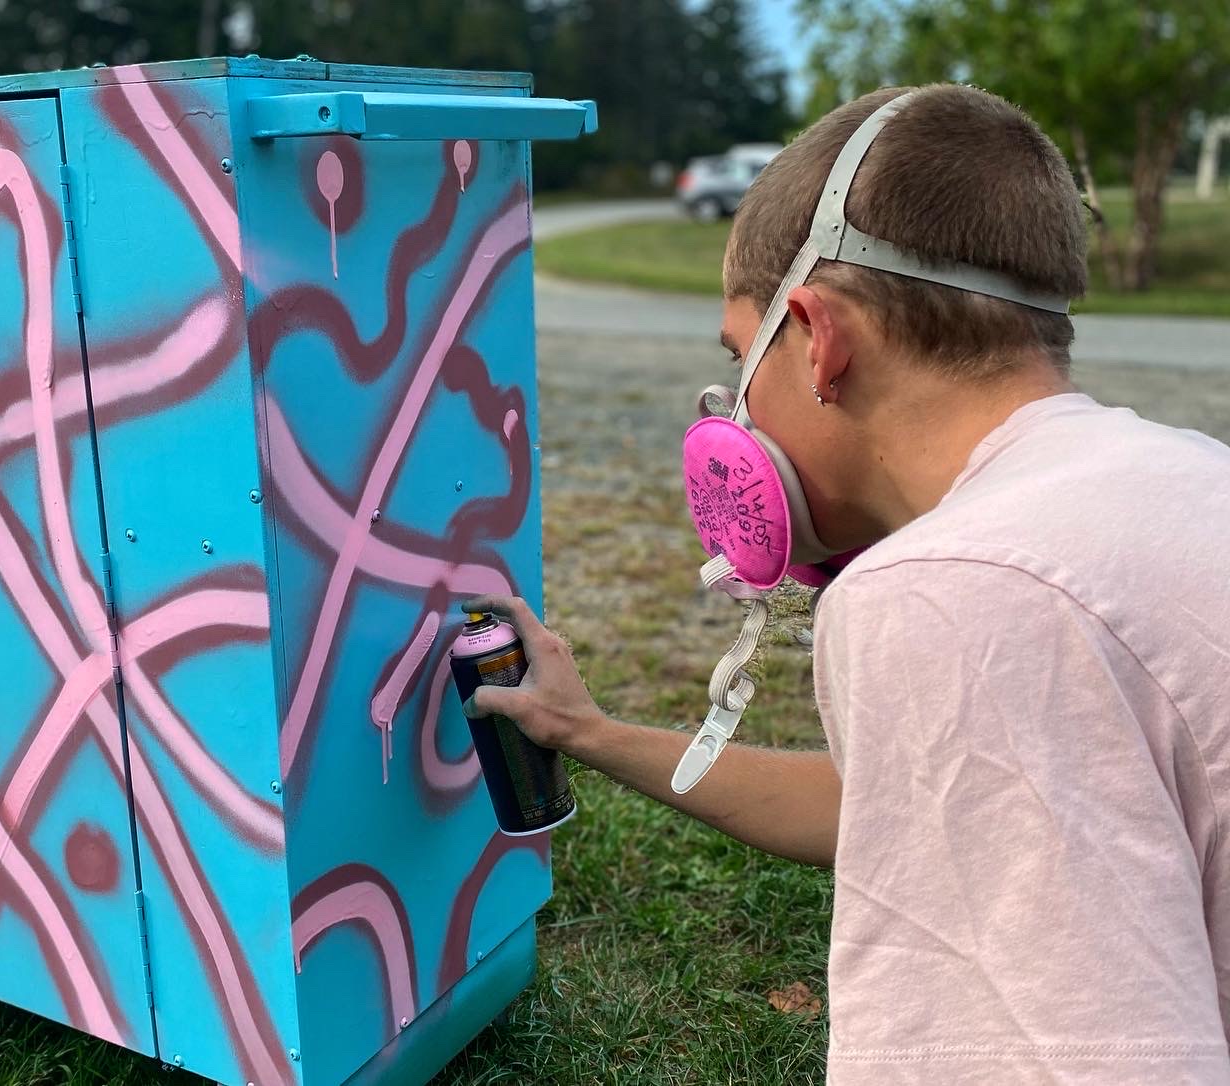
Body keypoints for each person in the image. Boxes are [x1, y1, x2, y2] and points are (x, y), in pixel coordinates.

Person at [463, 83, 1230, 1083]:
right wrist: (590, 733)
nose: (732, 413)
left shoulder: (955, 593)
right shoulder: (1178, 474)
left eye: (742, 360)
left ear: (820, 339)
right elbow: (897, 805)